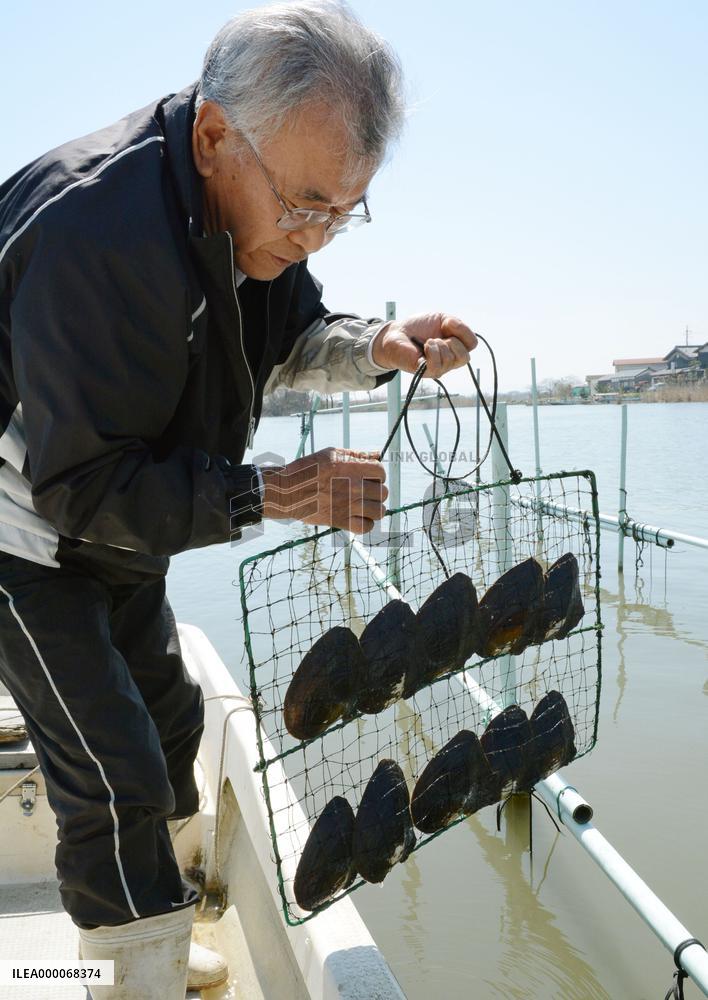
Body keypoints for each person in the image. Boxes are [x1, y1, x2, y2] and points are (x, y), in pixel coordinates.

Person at [0, 1, 476, 996]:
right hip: (22, 535)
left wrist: (380, 348)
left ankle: (150, 934)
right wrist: (276, 491)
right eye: (305, 204)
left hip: (124, 520)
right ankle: (138, 964)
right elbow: (77, 488)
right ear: (214, 135)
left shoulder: (250, 214)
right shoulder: (94, 230)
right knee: (117, 770)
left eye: (343, 212)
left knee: (174, 729)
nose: (315, 235)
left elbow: (294, 329)